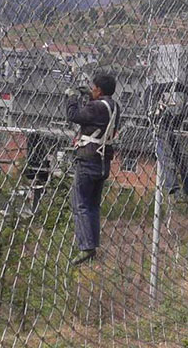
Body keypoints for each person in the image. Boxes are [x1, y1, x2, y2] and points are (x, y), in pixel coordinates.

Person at [65, 73, 120, 266]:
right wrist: (89, 96)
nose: (91, 90)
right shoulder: (114, 106)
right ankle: (92, 243)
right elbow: (97, 120)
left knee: (80, 203)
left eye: (93, 88)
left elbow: (74, 116)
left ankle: (87, 246)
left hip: (88, 160)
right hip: (103, 161)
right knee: (93, 206)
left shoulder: (96, 107)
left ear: (99, 90)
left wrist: (72, 97)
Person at [145, 80, 188, 202]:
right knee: (167, 160)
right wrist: (186, 91)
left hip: (168, 132)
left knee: (181, 161)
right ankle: (175, 192)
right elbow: (171, 86)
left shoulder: (164, 112)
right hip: (159, 133)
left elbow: (176, 122)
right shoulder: (151, 97)